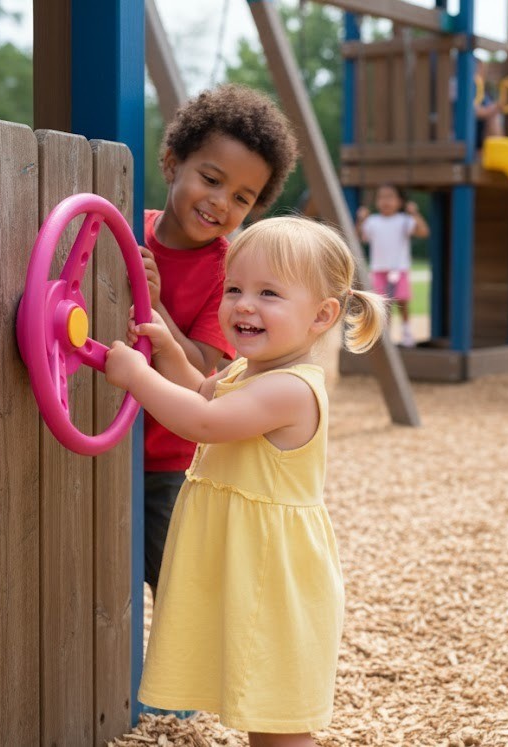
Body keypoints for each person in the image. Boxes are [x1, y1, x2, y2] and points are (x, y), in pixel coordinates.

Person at [105, 217, 387, 746]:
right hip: (247, 560)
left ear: (322, 315)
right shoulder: (246, 372)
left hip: (272, 574)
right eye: (234, 288)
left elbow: (203, 423)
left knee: (278, 716)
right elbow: (202, 393)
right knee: (260, 701)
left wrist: (137, 377)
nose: (243, 305)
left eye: (269, 293)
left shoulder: (290, 390)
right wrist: (168, 352)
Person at [139, 84, 298, 597]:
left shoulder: (229, 272)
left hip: (167, 459)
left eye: (241, 198)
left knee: (179, 588)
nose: (220, 203)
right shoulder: (127, 229)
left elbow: (201, 364)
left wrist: (155, 306)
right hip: (99, 442)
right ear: (172, 163)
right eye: (211, 179)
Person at [356, 184, 429, 347]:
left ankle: (406, 332)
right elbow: (358, 237)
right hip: (379, 269)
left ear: (399, 201)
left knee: (403, 302)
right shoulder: (372, 221)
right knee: (383, 304)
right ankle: (385, 336)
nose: (385, 201)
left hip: (399, 269)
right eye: (381, 197)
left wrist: (414, 213)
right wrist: (361, 219)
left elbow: (423, 232)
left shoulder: (404, 220)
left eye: (390, 197)